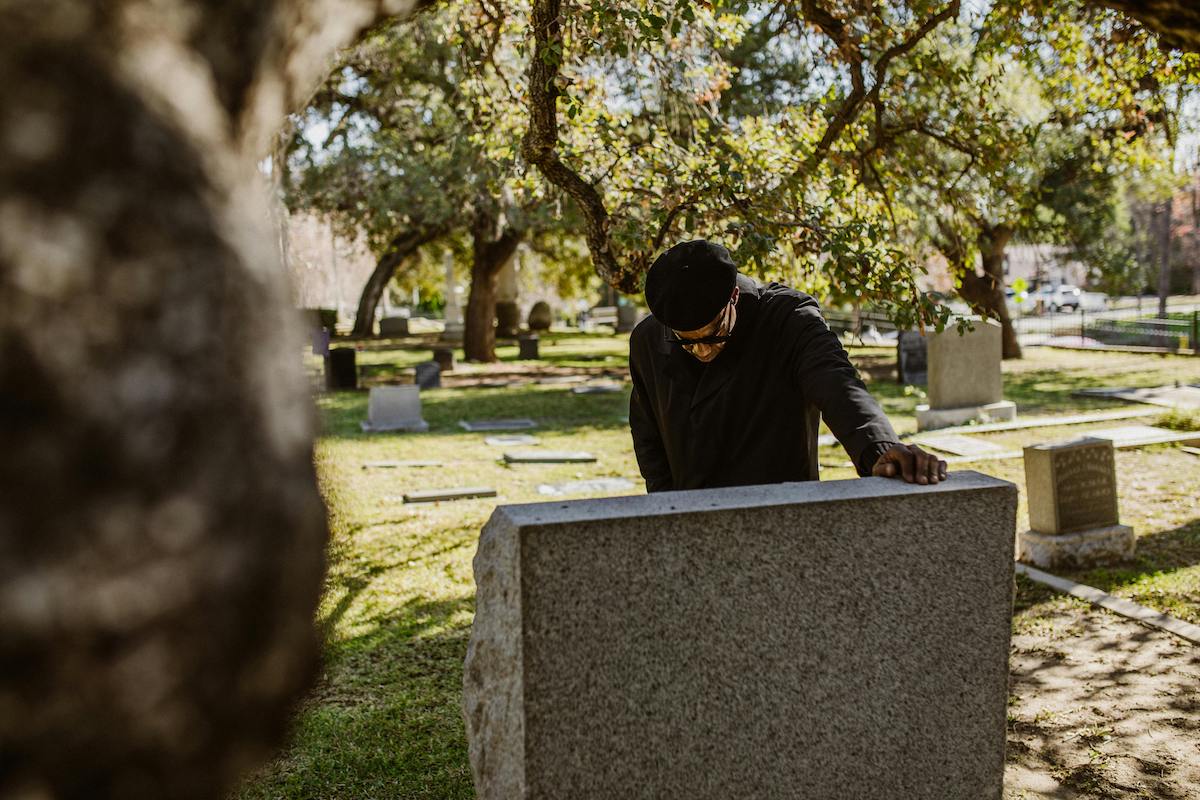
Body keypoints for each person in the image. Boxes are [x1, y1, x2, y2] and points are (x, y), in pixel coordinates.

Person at [628, 239, 946, 492]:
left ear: (734, 296)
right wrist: (665, 504)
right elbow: (647, 436)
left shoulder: (789, 318)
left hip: (781, 508)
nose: (700, 350)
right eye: (686, 341)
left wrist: (878, 448)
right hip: (689, 515)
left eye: (714, 334)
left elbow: (836, 383)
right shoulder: (648, 339)